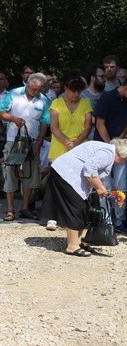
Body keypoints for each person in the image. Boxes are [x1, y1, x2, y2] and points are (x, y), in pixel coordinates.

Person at [40, 139, 127, 256]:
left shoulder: (108, 151)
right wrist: (100, 187)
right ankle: (72, 246)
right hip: (65, 174)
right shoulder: (108, 154)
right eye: (124, 159)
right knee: (75, 208)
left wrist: (104, 190)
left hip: (69, 175)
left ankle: (78, 242)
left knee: (84, 208)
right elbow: (90, 168)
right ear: (120, 154)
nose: (123, 162)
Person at [0, 73, 50, 222]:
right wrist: (13, 118)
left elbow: (45, 123)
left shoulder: (44, 99)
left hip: (32, 141)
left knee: (30, 175)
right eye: (34, 89)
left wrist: (39, 144)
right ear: (28, 83)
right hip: (13, 140)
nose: (36, 92)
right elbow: (0, 112)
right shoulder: (14, 93)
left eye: (39, 89)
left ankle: (24, 208)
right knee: (10, 174)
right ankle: (9, 209)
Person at [93, 79, 127, 232]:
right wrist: (111, 147)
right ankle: (106, 219)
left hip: (121, 148)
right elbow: (100, 124)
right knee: (104, 186)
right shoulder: (107, 97)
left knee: (121, 186)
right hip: (103, 147)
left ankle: (119, 221)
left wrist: (121, 142)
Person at [48, 70, 92, 161]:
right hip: (59, 150)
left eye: (79, 91)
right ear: (65, 88)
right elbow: (54, 127)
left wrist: (76, 143)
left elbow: (88, 127)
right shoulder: (56, 103)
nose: (76, 94)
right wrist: (69, 143)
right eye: (73, 91)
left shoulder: (86, 103)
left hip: (80, 149)